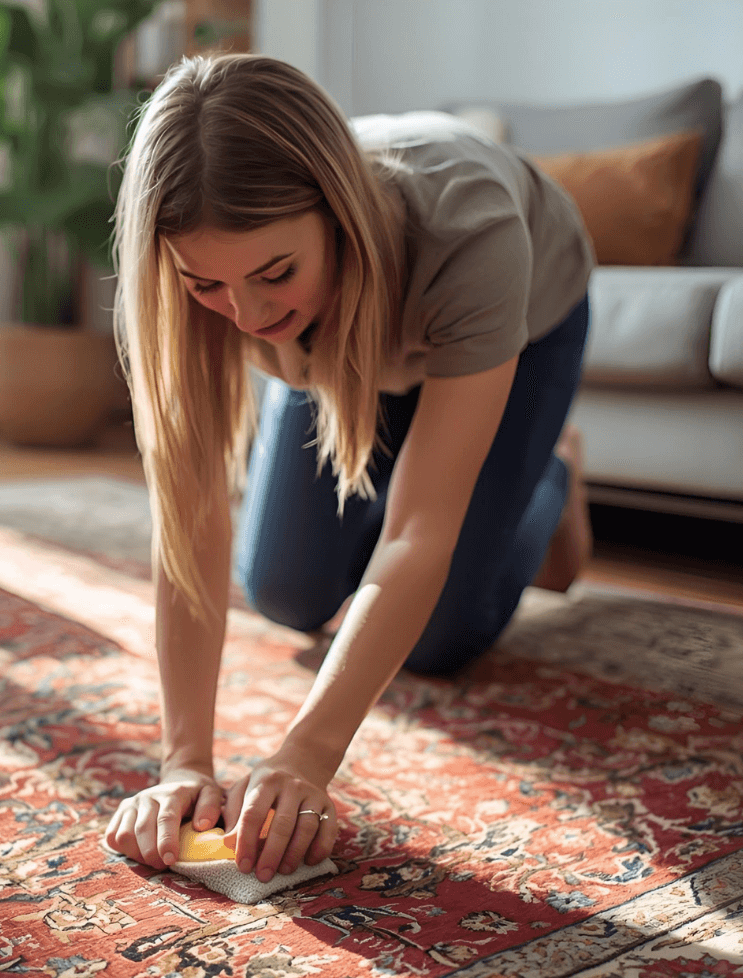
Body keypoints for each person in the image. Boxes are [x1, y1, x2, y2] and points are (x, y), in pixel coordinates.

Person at [103, 53, 595, 888]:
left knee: (437, 637)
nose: (250, 317)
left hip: (518, 318)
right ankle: (458, 456)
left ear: (337, 214)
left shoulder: (467, 228)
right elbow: (188, 518)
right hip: (342, 342)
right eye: (206, 285)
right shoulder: (220, 291)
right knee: (287, 593)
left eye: (273, 273)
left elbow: (415, 531)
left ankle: (546, 470)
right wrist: (184, 758)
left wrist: (306, 754)